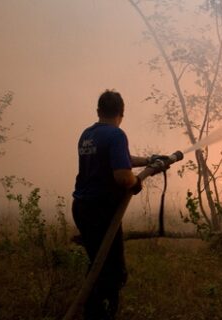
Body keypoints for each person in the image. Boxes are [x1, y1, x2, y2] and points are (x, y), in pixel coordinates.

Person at [72, 89, 148, 319]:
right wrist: (136, 183)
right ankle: (98, 314)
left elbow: (120, 158)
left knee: (98, 264)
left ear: (98, 111)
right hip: (101, 212)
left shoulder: (88, 134)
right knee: (114, 273)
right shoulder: (116, 135)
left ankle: (90, 308)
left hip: (82, 208)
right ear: (121, 113)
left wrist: (149, 160)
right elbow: (123, 176)